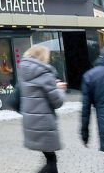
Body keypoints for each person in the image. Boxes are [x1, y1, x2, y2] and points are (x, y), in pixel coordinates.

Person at [18, 45, 67, 173]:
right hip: (44, 123)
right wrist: (60, 89)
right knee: (51, 162)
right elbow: (57, 102)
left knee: (51, 159)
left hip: (31, 122)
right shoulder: (44, 73)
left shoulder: (24, 72)